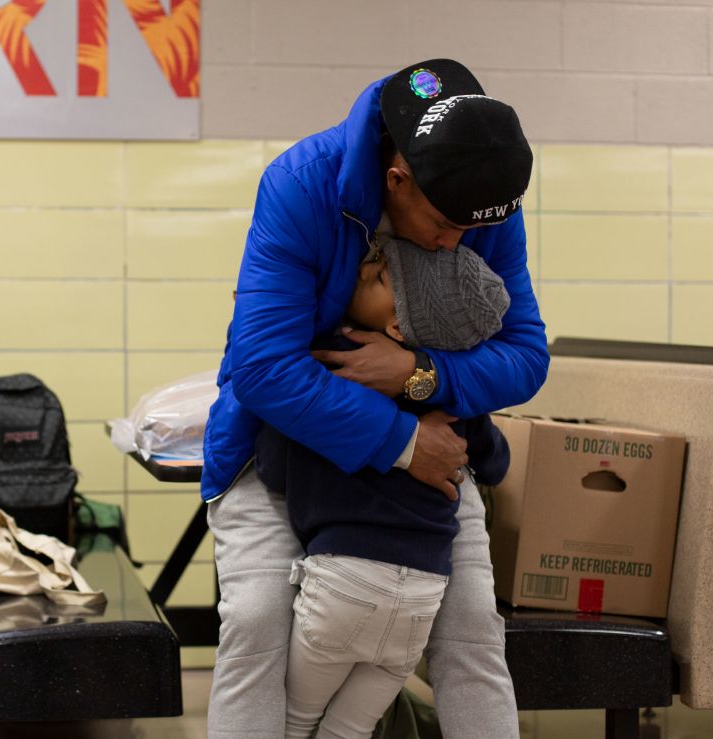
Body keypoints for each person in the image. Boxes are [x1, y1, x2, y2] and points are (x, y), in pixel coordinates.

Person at [202, 58, 548, 739]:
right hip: (283, 445)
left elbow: (526, 354)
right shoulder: (302, 184)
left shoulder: (480, 206)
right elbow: (264, 369)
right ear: (398, 179)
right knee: (255, 626)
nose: (458, 242)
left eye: (473, 229)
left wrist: (418, 375)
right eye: (445, 224)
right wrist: (404, 442)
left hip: (433, 449)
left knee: (475, 630)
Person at [255, 238, 513, 738]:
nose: (361, 269)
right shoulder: (448, 388)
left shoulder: (328, 359)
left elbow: (274, 468)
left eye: (376, 276)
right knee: (345, 733)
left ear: (396, 324)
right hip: (422, 601)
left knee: (293, 725)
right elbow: (495, 461)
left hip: (342, 587)